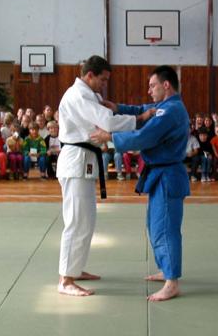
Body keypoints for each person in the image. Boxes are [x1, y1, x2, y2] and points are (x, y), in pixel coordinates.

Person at [91, 65, 190, 302]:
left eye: (152, 85)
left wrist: (110, 137)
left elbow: (145, 137)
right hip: (160, 174)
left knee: (165, 228)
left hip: (167, 176)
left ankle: (172, 282)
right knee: (155, 225)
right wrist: (117, 108)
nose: (149, 90)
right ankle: (166, 269)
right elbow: (142, 110)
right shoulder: (165, 107)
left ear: (166, 85)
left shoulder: (171, 111)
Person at [55, 56, 144, 297]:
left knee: (87, 220)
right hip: (75, 162)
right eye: (102, 79)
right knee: (76, 220)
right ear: (90, 75)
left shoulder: (89, 96)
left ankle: (75, 269)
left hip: (84, 161)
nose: (104, 84)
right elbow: (107, 122)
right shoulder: (78, 95)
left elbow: (102, 124)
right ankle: (65, 280)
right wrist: (139, 119)